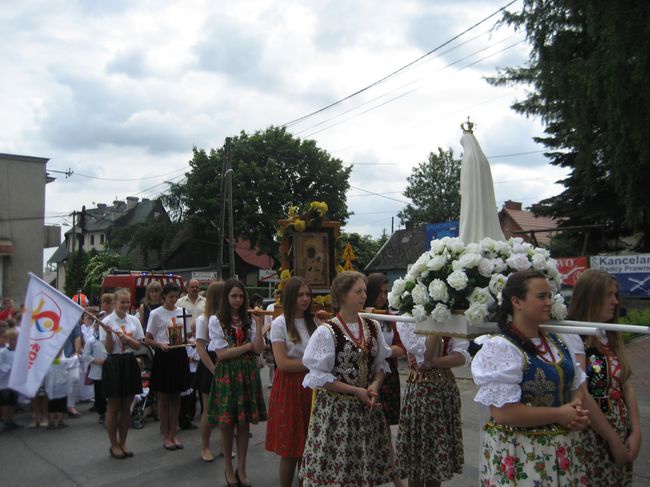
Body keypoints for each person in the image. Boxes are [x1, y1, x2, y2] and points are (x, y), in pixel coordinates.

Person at [471, 269, 591, 485]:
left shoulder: (558, 342)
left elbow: (574, 384)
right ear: (517, 302)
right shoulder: (501, 347)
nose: (549, 302)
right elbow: (504, 413)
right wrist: (559, 414)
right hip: (521, 451)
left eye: (549, 296)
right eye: (541, 296)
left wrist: (575, 406)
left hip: (563, 447)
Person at [300, 271, 394, 486]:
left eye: (364, 291)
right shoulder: (327, 332)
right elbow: (318, 376)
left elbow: (380, 364)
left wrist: (374, 385)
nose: (363, 296)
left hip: (366, 409)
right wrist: (355, 391)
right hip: (336, 411)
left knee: (363, 472)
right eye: (358, 291)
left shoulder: (373, 326)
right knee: (337, 472)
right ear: (342, 295)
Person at [566, 269, 641, 485]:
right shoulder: (573, 337)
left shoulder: (609, 335)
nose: (615, 302)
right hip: (592, 434)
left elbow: (627, 385)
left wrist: (635, 431)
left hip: (621, 429)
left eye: (616, 295)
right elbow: (583, 393)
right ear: (591, 297)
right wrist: (613, 440)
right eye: (608, 295)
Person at [208, 278, 266, 487]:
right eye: (234, 296)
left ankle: (241, 467)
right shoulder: (216, 320)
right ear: (226, 297)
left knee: (244, 423)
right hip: (228, 373)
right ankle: (228, 468)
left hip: (247, 372)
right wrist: (248, 346)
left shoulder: (249, 319)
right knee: (226, 422)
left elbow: (258, 349)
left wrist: (259, 325)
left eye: (241, 296)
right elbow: (222, 354)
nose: (238, 300)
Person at [396, 323, 468, 486]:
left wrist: (434, 362)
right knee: (417, 453)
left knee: (437, 454)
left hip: (444, 389)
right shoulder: (408, 317)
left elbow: (461, 357)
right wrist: (434, 322)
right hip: (420, 390)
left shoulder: (451, 317)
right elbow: (424, 355)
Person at [265, 277, 318, 487]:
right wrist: (315, 365)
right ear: (290, 297)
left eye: (308, 295)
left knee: (308, 445)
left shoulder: (312, 321)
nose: (305, 299)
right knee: (290, 447)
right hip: (290, 387)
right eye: (300, 295)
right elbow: (283, 363)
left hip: (311, 386)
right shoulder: (280, 323)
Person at [365, 272, 406, 487]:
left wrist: (384, 352)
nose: (382, 296)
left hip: (389, 376)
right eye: (378, 292)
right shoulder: (363, 314)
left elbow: (401, 348)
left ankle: (393, 476)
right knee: (372, 431)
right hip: (367, 376)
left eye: (385, 292)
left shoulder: (390, 316)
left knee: (385, 430)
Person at [145, 282, 190, 451]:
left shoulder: (182, 312)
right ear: (164, 296)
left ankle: (174, 433)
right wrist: (159, 344)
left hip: (178, 354)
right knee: (164, 398)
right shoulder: (156, 314)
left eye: (176, 296)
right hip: (164, 356)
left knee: (177, 397)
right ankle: (166, 435)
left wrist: (189, 341)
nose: (174, 300)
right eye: (171, 297)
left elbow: (185, 335)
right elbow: (148, 338)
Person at [101, 289, 144, 458]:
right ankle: (114, 444)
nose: (125, 305)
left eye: (128, 302)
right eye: (122, 302)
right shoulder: (106, 321)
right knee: (114, 407)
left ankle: (123, 442)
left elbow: (138, 345)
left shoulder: (134, 320)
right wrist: (110, 334)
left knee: (127, 406)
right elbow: (109, 349)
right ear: (115, 303)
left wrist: (127, 339)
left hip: (129, 362)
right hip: (114, 364)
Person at [194, 281, 223, 462]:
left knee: (225, 409)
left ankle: (224, 445)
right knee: (208, 410)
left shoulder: (227, 318)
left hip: (225, 361)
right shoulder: (203, 319)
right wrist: (214, 370)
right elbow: (200, 347)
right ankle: (205, 447)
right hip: (209, 366)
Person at [45, 349, 77, 429]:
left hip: (51, 387)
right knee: (61, 405)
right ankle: (60, 421)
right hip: (61, 387)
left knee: (52, 405)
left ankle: (51, 423)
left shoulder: (47, 362)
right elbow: (72, 361)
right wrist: (76, 354)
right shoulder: (61, 361)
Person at [84, 317, 107, 424]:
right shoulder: (91, 340)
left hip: (110, 368)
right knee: (100, 394)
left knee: (109, 392)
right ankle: (102, 413)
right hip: (97, 370)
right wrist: (96, 361)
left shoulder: (108, 337)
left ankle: (110, 412)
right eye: (98, 324)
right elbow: (86, 355)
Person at [0, 328, 20, 431]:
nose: (14, 342)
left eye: (16, 340)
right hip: (5, 382)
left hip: (15, 381)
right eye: (12, 340)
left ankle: (10, 420)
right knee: (5, 402)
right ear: (8, 340)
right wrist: (9, 367)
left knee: (13, 401)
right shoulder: (3, 352)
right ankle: (5, 420)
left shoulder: (18, 352)